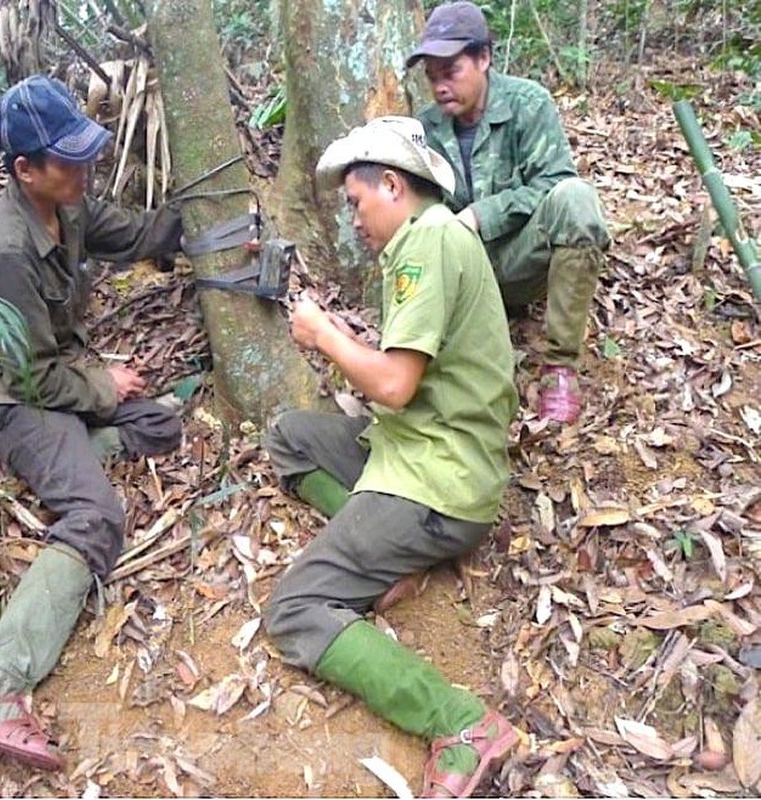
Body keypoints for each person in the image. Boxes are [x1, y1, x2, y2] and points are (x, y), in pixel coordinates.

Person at [263, 117, 520, 798]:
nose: (353, 218)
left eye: (355, 201)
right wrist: (354, 341)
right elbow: (407, 371)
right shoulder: (434, 239)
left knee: (294, 609)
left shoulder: (424, 243)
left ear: (391, 183)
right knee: (289, 436)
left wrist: (322, 337)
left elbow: (393, 385)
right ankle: (384, 560)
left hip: (435, 484)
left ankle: (460, 722)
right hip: (419, 456)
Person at [0, 74, 185, 769]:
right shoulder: (5, 251)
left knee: (161, 426)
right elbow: (29, 375)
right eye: (68, 160)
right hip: (18, 406)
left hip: (56, 384)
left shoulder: (70, 204)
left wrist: (208, 215)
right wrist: (101, 384)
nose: (85, 171)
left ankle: (75, 449)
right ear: (25, 170)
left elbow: (137, 233)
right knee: (95, 516)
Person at [407, 1, 611, 425]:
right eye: (432, 76)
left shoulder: (528, 104)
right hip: (463, 275)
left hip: (521, 260)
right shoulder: (422, 128)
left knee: (576, 199)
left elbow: (552, 181)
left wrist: (483, 214)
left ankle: (559, 370)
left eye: (452, 72)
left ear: (484, 58)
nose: (441, 86)